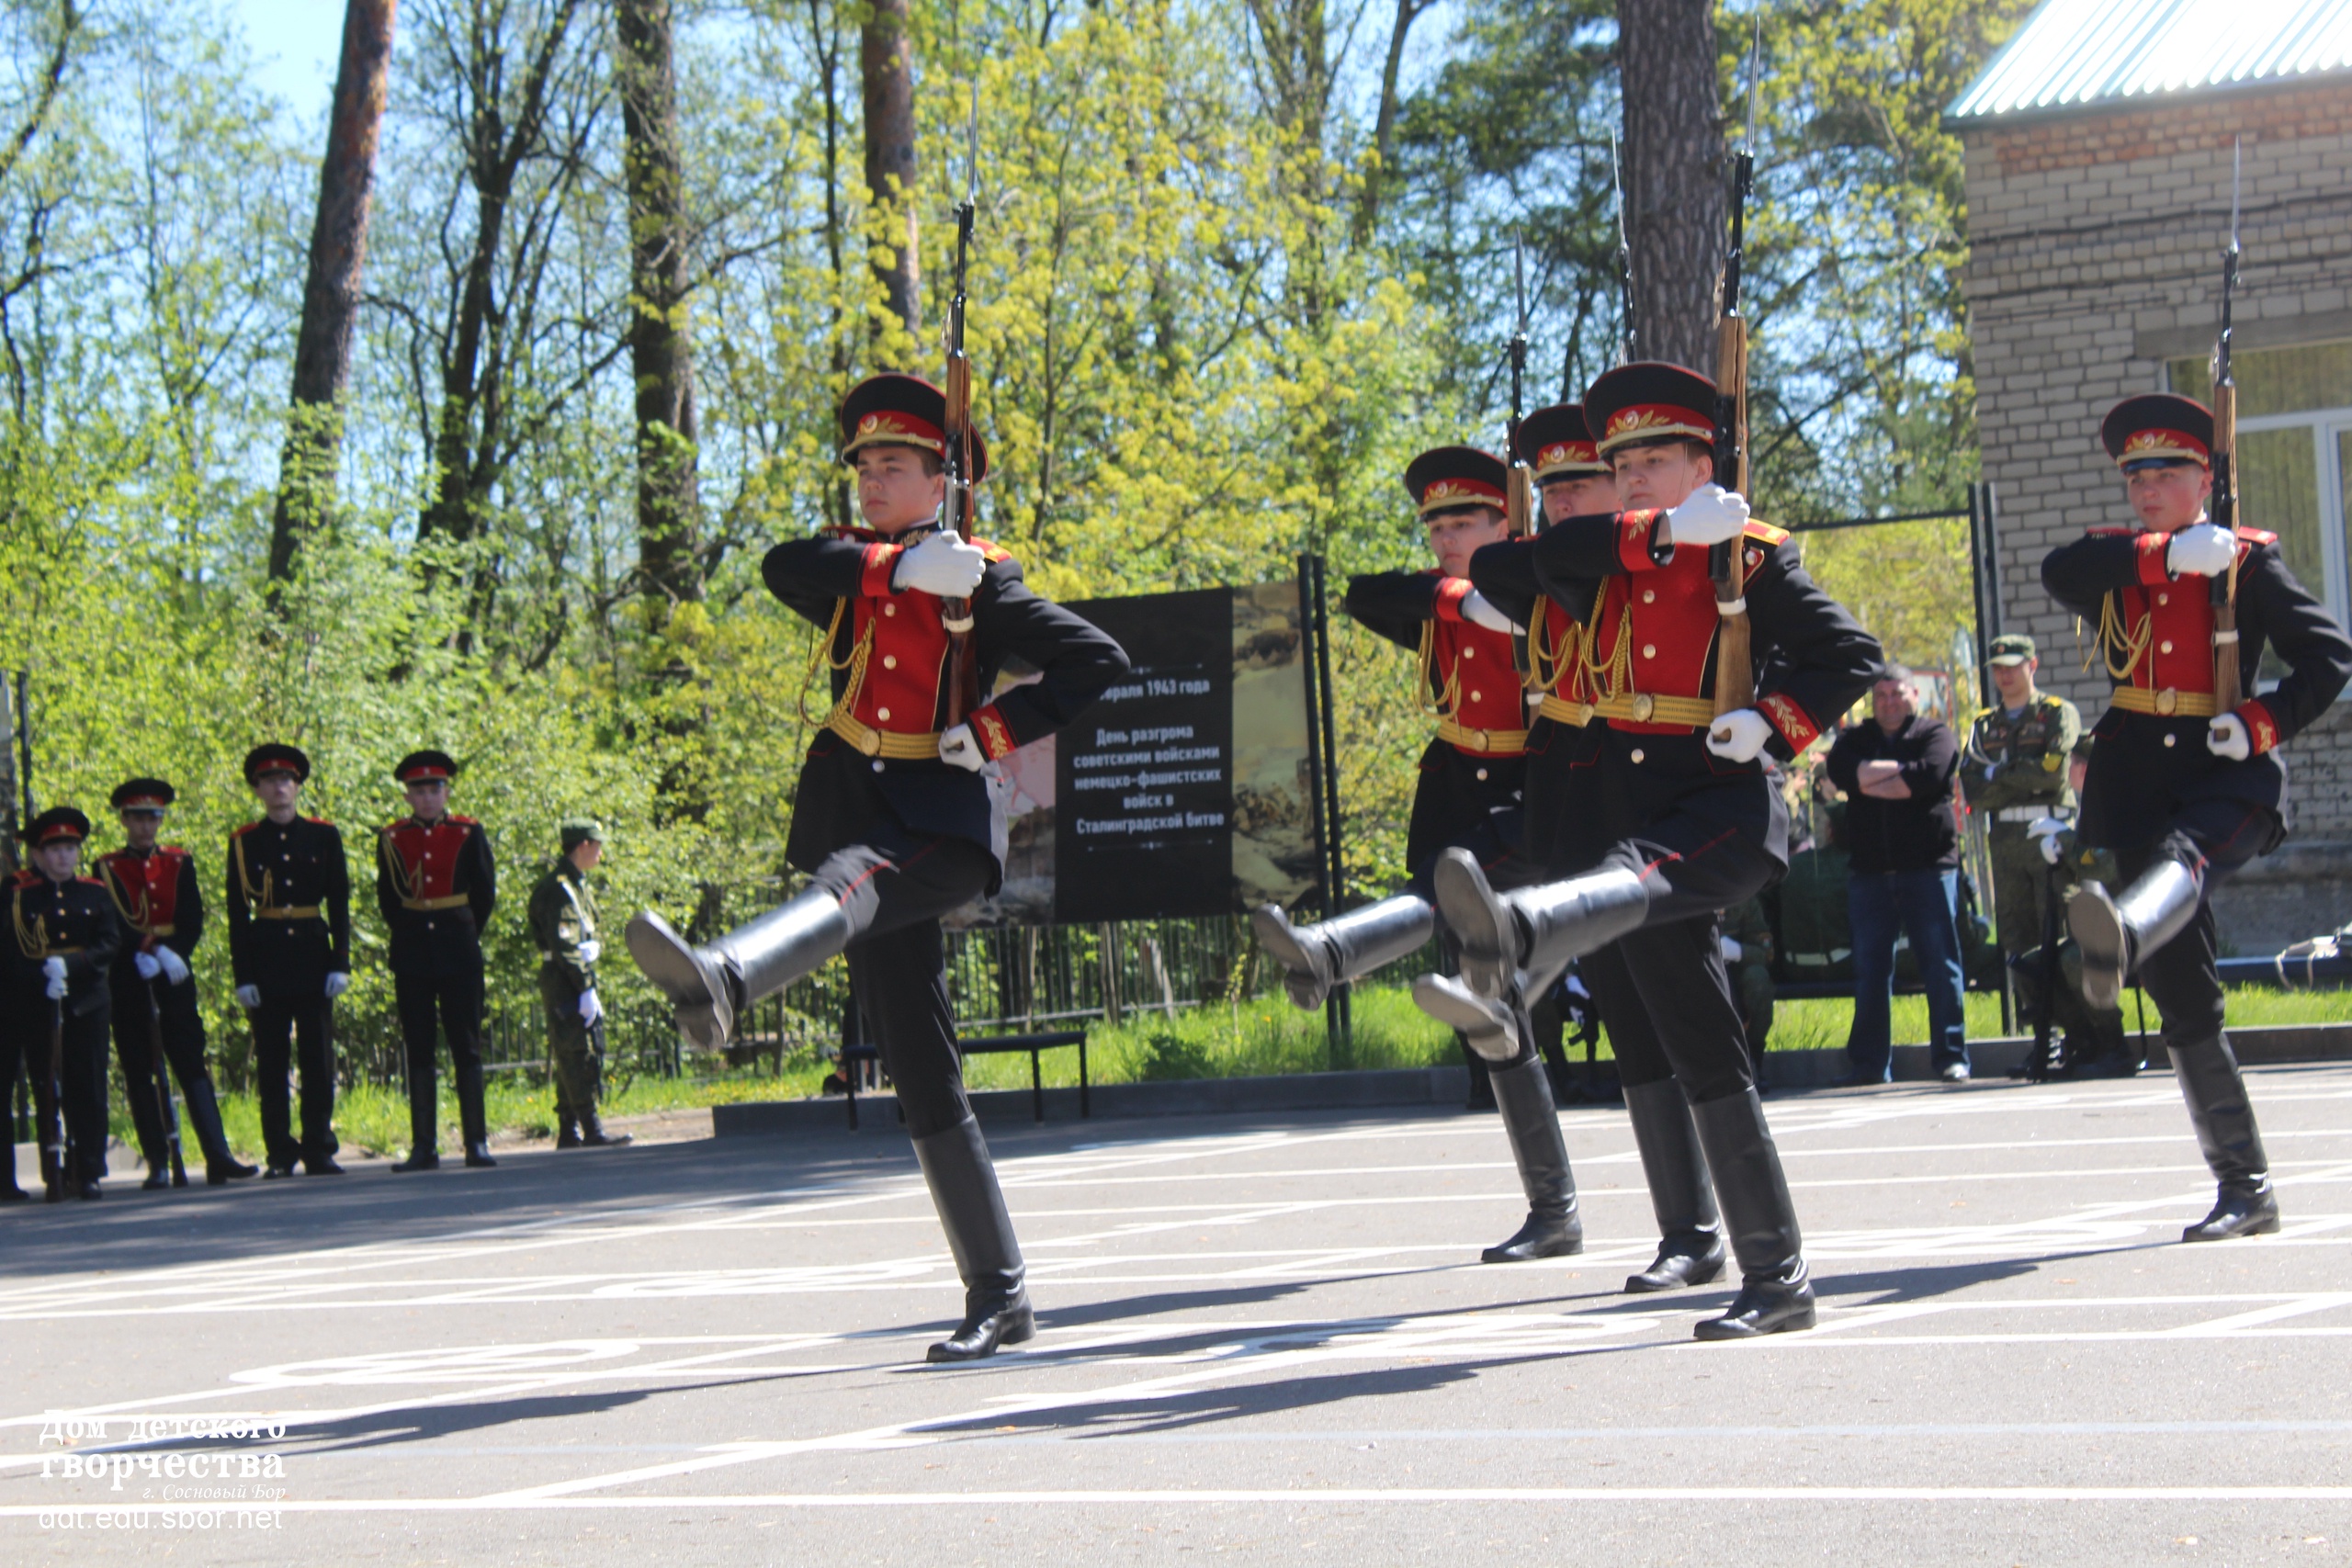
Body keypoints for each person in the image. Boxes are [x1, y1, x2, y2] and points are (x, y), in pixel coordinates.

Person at [628, 372, 1128, 1361]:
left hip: (936, 832)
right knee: (918, 1064)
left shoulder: (986, 584)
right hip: (856, 805)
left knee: (852, 880)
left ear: (940, 481)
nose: (870, 481)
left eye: (893, 466)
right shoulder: (858, 568)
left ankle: (727, 978)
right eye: (862, 466)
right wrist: (898, 576)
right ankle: (1003, 1294)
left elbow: (1097, 660)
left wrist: (988, 729)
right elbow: (782, 564)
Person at [1431, 360, 1881, 1338]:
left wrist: (1772, 721)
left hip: (1712, 807)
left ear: (1702, 461)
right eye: (1621, 460)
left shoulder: (1748, 558)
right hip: (1615, 817)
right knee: (1673, 1026)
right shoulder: (1606, 551)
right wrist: (1662, 532)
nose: (1631, 474)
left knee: (1634, 918)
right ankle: (1753, 1265)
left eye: (1655, 460)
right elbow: (1504, 569)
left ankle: (1514, 932)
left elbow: (1847, 656)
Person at [2041, 392, 2352, 1242]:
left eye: (2167, 471)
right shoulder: (2116, 557)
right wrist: (2171, 557)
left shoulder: (2248, 564)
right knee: (2186, 1002)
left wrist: (2259, 720)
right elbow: (2060, 572)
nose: (2147, 485)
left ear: (2205, 477)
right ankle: (2245, 1188)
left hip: (2226, 774)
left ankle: (2122, 932)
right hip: (2138, 773)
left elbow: (2329, 658)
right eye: (2136, 473)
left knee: (2185, 857)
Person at [96, 779, 256, 1188]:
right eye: (137, 818)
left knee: (189, 1060)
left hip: (173, 972)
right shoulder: (106, 867)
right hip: (129, 975)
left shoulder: (179, 862)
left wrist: (172, 952)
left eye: (153, 817)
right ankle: (158, 1159)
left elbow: (192, 918)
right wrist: (144, 948)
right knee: (139, 1067)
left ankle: (217, 1155)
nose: (146, 826)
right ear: (124, 820)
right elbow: (112, 922)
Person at [1826, 668, 1969, 1083]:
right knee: (1871, 970)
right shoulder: (1854, 738)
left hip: (1929, 870)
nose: (1889, 701)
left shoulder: (1935, 734)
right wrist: (1899, 775)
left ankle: (1950, 1057)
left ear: (1913, 695)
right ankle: (1870, 1065)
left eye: (1897, 693)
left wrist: (1869, 779)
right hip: (1870, 874)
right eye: (1881, 694)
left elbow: (1928, 777)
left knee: (1941, 966)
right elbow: (1841, 773)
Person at [226, 744, 351, 1179]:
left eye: (286, 780)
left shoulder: (322, 835)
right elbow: (237, 914)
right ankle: (280, 1151)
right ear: (258, 789)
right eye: (269, 781)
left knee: (318, 1058)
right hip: (266, 957)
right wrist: (243, 974)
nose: (279, 787)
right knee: (273, 1061)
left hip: (313, 955)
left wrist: (341, 961)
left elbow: (339, 901)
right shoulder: (244, 842)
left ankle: (319, 1147)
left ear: (297, 786)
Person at [378, 750, 498, 1172]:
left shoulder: (468, 831)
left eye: (435, 789)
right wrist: (414, 929)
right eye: (418, 791)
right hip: (412, 952)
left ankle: (476, 1142)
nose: (427, 797)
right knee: (420, 1049)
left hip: (458, 948)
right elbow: (389, 900)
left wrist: (463, 930)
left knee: (466, 1047)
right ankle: (424, 1146)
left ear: (446, 792)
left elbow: (485, 893)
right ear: (407, 796)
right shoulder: (392, 838)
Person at [8, 807, 123, 1201]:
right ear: (39, 854)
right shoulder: (18, 894)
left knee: (88, 1085)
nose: (62, 856)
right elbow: (9, 949)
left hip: (88, 999)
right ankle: (53, 1167)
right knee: (47, 1086)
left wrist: (72, 965)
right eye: (54, 848)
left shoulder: (94, 891)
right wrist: (41, 974)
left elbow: (110, 941)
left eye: (70, 848)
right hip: (38, 1002)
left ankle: (87, 1168)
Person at [530, 818, 628, 1147]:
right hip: (565, 978)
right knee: (576, 1051)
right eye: (596, 845)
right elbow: (565, 946)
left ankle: (569, 1129)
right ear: (583, 846)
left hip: (572, 975)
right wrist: (584, 986)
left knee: (573, 1048)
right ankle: (592, 1128)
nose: (600, 851)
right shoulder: (560, 888)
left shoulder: (576, 884)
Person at [1720, 894, 1776, 1077]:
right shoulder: (1685, 895)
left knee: (1757, 978)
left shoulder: (1743, 899)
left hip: (1737, 974)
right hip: (1696, 973)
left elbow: (1765, 953)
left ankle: (1753, 1053)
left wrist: (1736, 952)